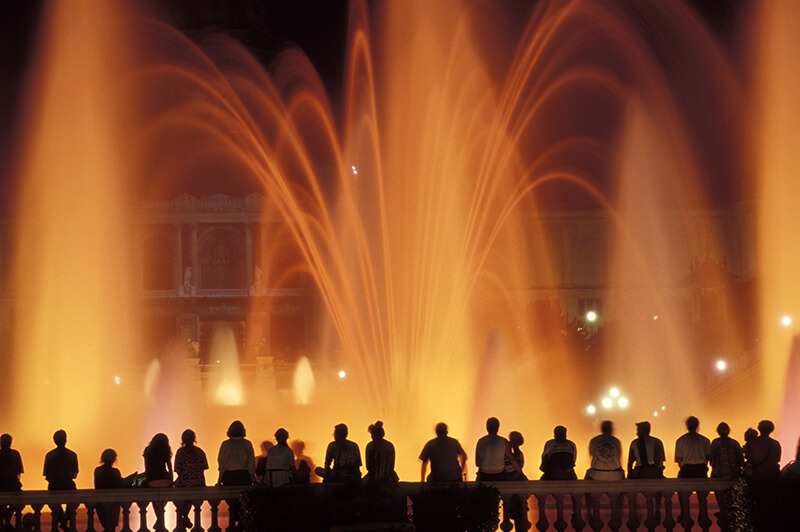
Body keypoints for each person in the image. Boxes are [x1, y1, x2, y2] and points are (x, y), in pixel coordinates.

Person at [217, 421, 255, 530]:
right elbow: (251, 464)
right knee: (243, 504)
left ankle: (232, 525)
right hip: (243, 476)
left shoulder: (225, 444)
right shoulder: (247, 444)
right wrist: (254, 479)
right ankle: (242, 525)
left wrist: (219, 481)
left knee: (231, 504)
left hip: (229, 477)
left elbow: (222, 464)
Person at [674, 416, 711, 525]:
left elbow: (679, 460)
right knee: (702, 496)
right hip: (701, 469)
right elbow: (709, 457)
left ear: (687, 426)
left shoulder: (681, 440)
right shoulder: (705, 440)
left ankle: (684, 513)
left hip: (687, 469)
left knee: (682, 493)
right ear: (697, 426)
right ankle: (703, 514)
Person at [43, 429, 79, 531]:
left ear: (54, 441)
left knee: (54, 503)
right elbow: (75, 475)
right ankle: (64, 520)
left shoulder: (49, 455)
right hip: (68, 485)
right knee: (73, 501)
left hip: (54, 486)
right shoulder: (72, 455)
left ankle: (62, 520)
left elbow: (47, 476)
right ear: (66, 440)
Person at [174, 429, 208, 529]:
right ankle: (184, 517)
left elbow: (177, 470)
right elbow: (203, 468)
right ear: (194, 439)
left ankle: (184, 517)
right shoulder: (200, 452)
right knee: (189, 497)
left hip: (184, 483)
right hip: (198, 483)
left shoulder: (180, 452)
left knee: (185, 498)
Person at [143, 433, 173, 531]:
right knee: (161, 501)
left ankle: (159, 520)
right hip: (165, 481)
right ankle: (160, 521)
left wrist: (147, 480)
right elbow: (169, 467)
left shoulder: (147, 451)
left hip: (152, 481)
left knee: (155, 501)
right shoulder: (165, 451)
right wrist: (171, 480)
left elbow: (147, 469)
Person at [501, 431, 529, 532]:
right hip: (517, 485)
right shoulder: (515, 454)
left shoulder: (509, 454)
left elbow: (515, 469)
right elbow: (518, 468)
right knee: (519, 512)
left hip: (513, 485)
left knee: (517, 512)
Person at [94, 449, 128, 531]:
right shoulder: (115, 472)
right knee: (111, 527)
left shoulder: (98, 471)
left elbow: (97, 486)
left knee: (107, 527)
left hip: (100, 503)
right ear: (114, 459)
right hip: (113, 503)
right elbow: (120, 486)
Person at [0, 434, 23, 531]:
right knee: (18, 502)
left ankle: (5, 521)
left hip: (2, 486)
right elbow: (19, 473)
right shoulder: (15, 454)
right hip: (13, 486)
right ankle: (7, 520)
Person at [364, 421, 398, 485]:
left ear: (373, 435)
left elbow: (368, 466)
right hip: (389, 478)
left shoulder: (370, 446)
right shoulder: (390, 445)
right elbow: (392, 465)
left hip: (373, 479)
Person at [476, 417, 510, 481]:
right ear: (498, 428)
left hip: (484, 474)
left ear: (487, 428)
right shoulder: (504, 441)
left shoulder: (480, 441)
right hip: (499, 474)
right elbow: (510, 458)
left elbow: (477, 463)